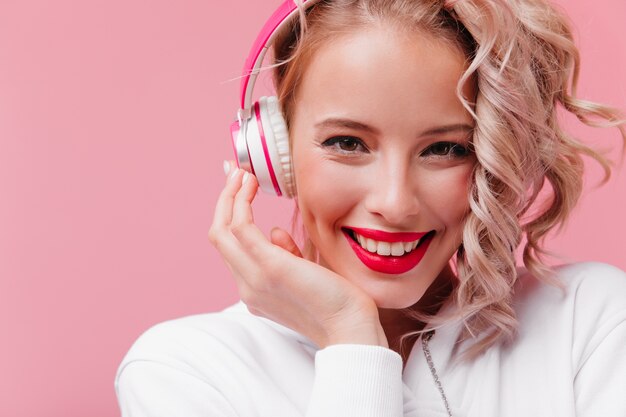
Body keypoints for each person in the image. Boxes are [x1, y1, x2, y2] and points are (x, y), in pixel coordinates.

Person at [114, 0, 626, 415]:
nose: (395, 202)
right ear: (276, 153)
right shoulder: (185, 372)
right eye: (347, 143)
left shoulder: (591, 325)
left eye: (445, 149)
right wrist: (350, 337)